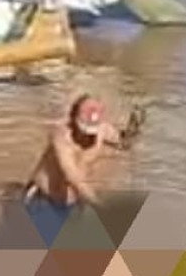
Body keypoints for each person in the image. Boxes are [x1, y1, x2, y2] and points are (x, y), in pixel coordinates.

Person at [22, 93, 144, 237]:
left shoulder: (103, 131)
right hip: (43, 200)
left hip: (74, 202)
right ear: (72, 120)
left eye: (93, 131)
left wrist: (135, 127)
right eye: (83, 130)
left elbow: (124, 143)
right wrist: (101, 206)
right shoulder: (61, 139)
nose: (87, 136)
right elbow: (73, 177)